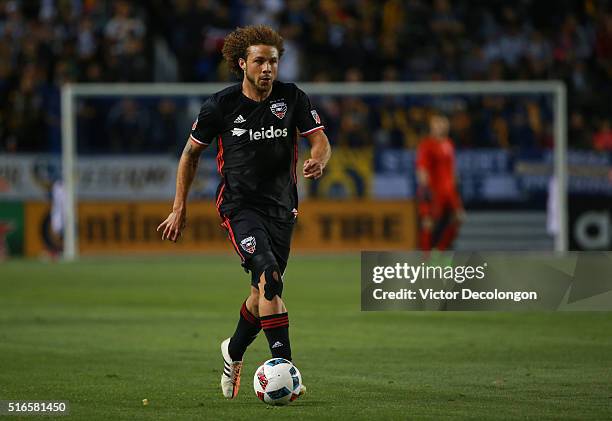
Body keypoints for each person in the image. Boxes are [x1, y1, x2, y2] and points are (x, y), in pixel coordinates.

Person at [157, 25, 331, 400]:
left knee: (262, 292)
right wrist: (178, 207)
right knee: (269, 274)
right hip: (238, 206)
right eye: (259, 61)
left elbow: (320, 140)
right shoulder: (220, 105)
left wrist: (318, 160)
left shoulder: (292, 98)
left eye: (273, 61)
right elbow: (189, 155)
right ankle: (285, 370)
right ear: (242, 64)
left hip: (283, 208)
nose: (268, 68)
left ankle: (233, 351)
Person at [415, 112, 464, 251]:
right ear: (431, 126)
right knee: (428, 223)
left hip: (449, 191)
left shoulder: (449, 144)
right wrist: (425, 194)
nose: (440, 126)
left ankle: (440, 251)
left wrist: (456, 191)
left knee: (458, 218)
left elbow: (452, 169)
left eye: (443, 123)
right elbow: (421, 170)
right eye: (436, 123)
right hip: (434, 191)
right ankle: (425, 261)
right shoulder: (426, 145)